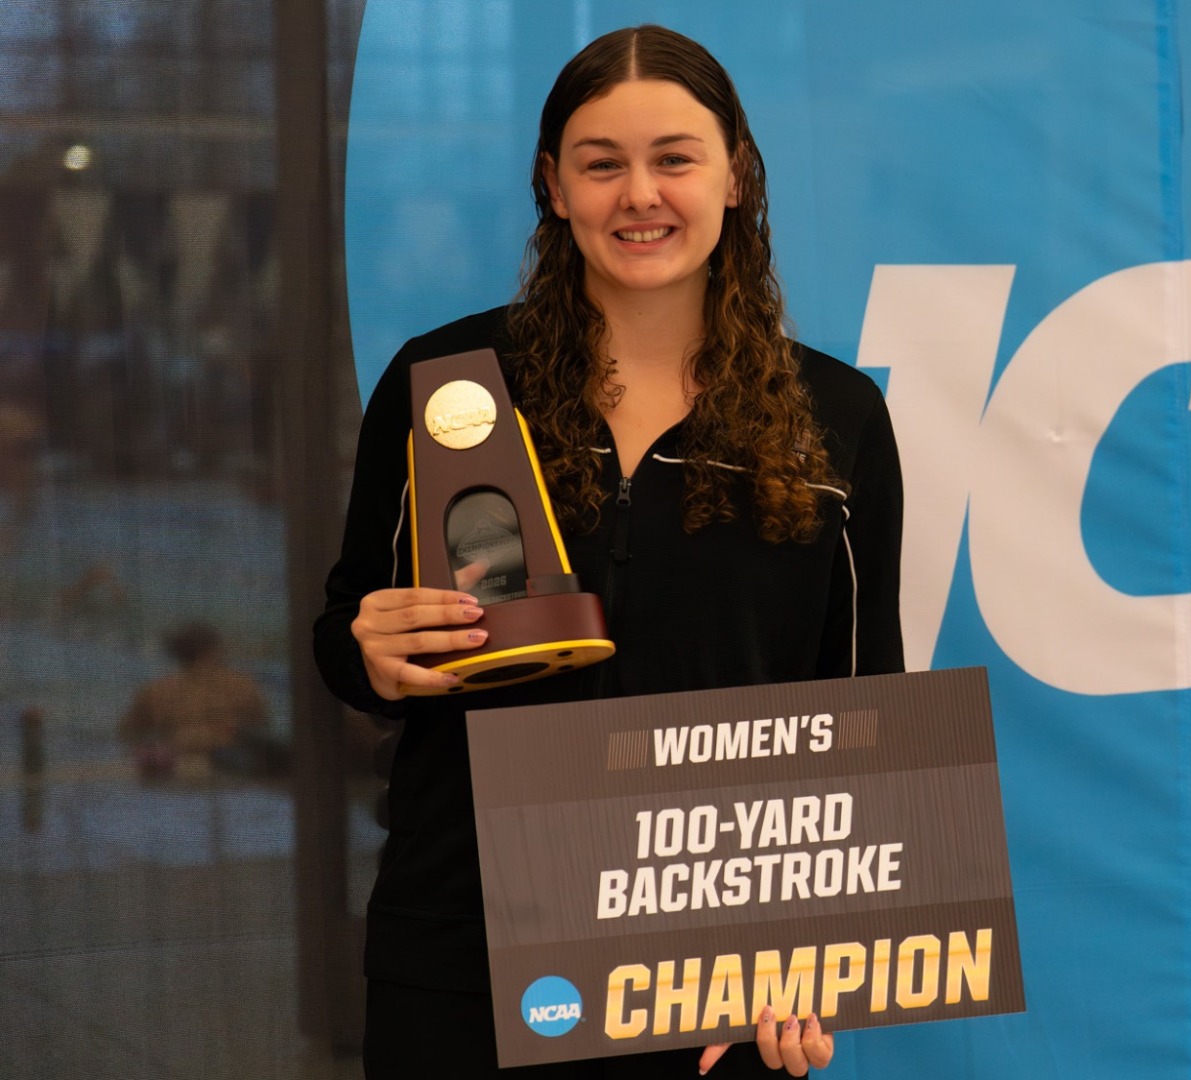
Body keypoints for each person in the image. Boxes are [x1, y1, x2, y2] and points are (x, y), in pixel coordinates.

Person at [312, 25, 903, 1079]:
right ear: (553, 186)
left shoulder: (836, 418)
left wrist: (814, 956)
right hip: (462, 961)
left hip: (712, 986)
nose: (641, 195)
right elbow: (350, 639)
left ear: (737, 177)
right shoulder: (446, 385)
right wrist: (369, 650)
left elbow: (860, 712)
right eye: (602, 164)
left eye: (674, 158)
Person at [117, 621, 272, 782]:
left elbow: (127, 734)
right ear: (212, 650)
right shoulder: (243, 686)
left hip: (179, 760)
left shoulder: (155, 691)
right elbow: (261, 730)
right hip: (229, 763)